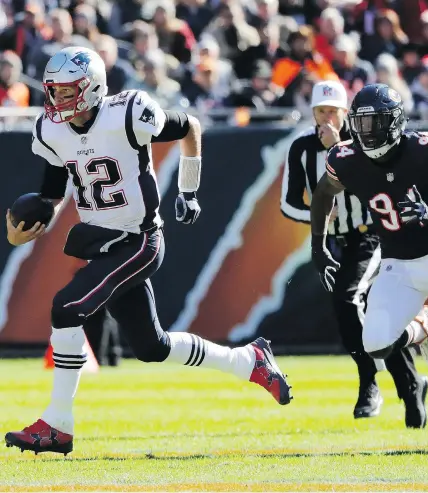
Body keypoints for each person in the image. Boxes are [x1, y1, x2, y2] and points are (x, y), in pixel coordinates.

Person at [4, 46, 292, 456]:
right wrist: (21, 231)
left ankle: (57, 425)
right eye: (53, 92)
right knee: (151, 347)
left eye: (67, 93)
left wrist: (188, 189)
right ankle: (249, 361)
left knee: (66, 308)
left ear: (91, 88)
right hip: (102, 244)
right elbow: (51, 195)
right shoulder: (52, 130)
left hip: (139, 240)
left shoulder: (128, 112)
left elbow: (190, 126)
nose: (58, 102)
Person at [281, 80, 428, 425]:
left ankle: (381, 384)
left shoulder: (419, 149)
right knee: (369, 332)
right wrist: (318, 243)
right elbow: (312, 197)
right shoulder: (321, 152)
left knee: (349, 297)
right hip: (369, 252)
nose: (366, 131)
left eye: (334, 111)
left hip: (379, 238)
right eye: (321, 111)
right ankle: (413, 357)